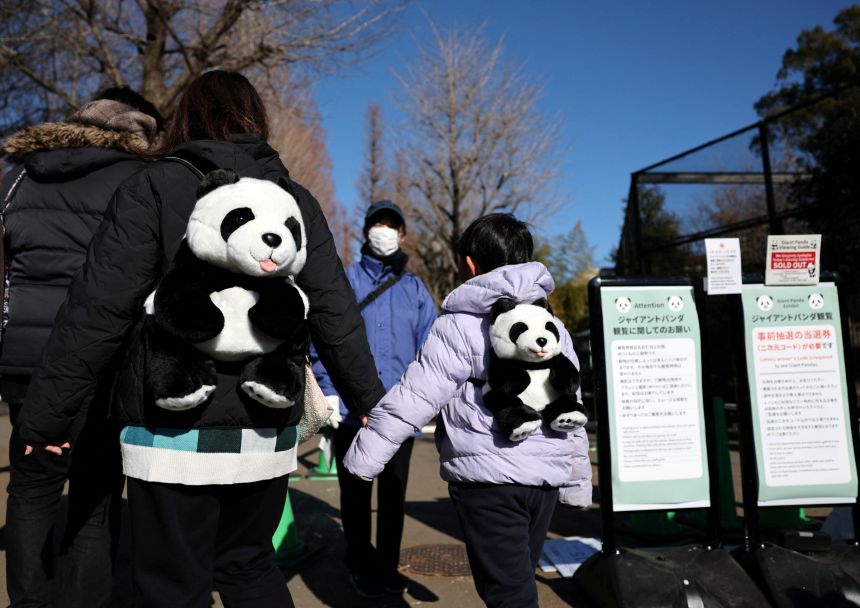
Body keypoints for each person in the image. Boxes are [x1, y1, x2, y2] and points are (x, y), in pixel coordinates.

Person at [15, 70, 385, 608]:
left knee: (171, 583)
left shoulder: (155, 186)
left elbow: (97, 312)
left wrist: (45, 419)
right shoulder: (292, 198)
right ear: (255, 120)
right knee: (249, 567)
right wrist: (369, 399)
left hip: (169, 434)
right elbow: (334, 308)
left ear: (187, 117)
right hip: (264, 432)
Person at [343, 213, 592, 608]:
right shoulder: (553, 326)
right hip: (545, 481)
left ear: (470, 264)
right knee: (517, 579)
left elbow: (416, 395)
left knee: (508, 593)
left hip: (488, 479)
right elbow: (570, 406)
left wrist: (363, 456)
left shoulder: (460, 326)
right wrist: (578, 482)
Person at [1, 86, 163, 608]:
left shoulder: (18, 177)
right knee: (92, 498)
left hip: (21, 360)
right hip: (99, 361)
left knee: (31, 484)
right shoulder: (138, 182)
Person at [312, 199, 436, 598]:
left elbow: (432, 351)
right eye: (377, 223)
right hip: (352, 412)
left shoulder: (415, 289)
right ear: (366, 231)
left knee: (394, 495)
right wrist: (328, 389)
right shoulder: (344, 281)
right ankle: (359, 563)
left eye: (391, 224)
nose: (383, 230)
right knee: (355, 496)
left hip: (400, 415)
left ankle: (386, 566)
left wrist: (426, 403)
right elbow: (324, 338)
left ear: (401, 234)